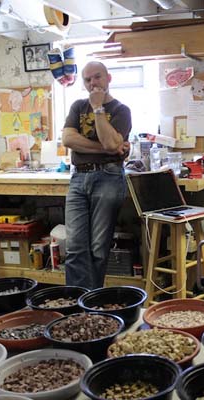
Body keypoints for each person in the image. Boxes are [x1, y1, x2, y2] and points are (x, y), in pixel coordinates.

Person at [62, 61, 132, 289]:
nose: (93, 83)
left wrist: (98, 108)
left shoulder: (121, 110)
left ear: (108, 78)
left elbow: (112, 141)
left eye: (97, 77)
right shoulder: (77, 106)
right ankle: (75, 300)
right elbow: (68, 140)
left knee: (98, 247)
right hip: (79, 178)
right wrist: (108, 148)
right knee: (74, 245)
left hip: (108, 178)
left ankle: (92, 299)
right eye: (87, 79)